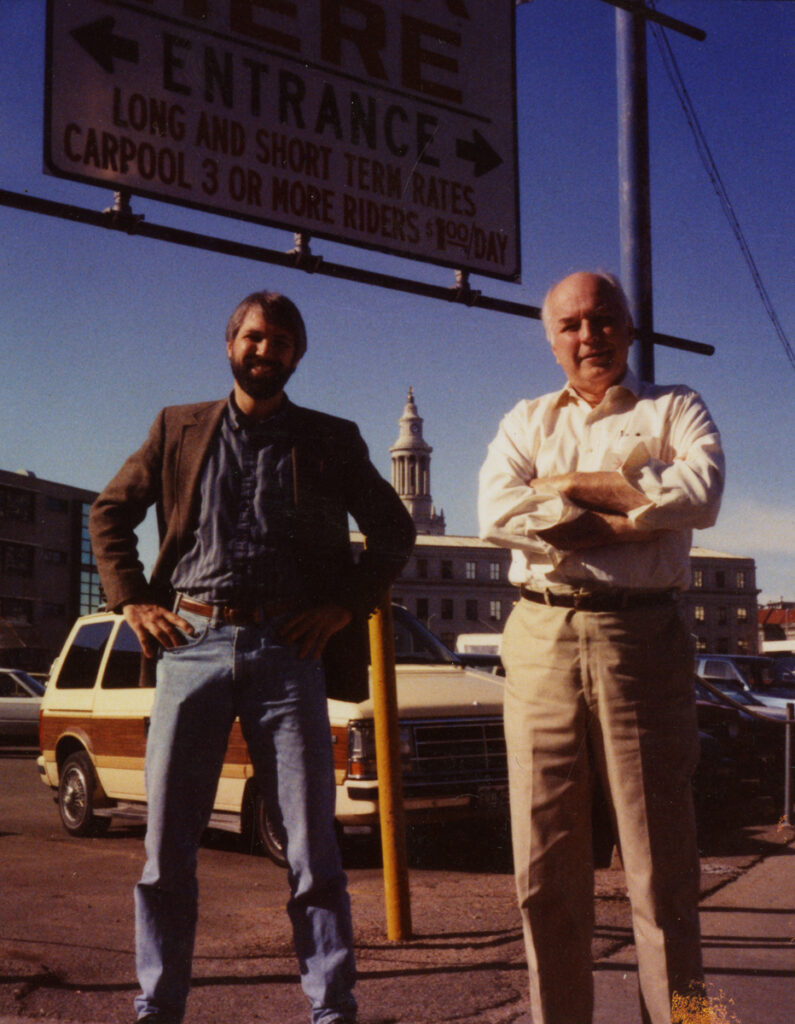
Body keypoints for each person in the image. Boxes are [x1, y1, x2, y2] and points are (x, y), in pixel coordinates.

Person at [90, 289, 416, 1024]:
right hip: (190, 646)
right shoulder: (177, 427)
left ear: (297, 354)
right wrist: (132, 600)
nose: (265, 351)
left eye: (280, 342)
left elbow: (393, 531)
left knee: (310, 846)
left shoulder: (331, 439)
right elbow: (110, 510)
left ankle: (331, 1008)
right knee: (167, 848)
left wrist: (342, 609)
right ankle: (158, 1005)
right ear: (230, 344)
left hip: (286, 652)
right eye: (253, 338)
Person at [478, 271, 724, 1024]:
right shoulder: (523, 419)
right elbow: (498, 512)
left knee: (662, 873)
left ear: (627, 327)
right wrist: (635, 504)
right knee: (545, 869)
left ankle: (683, 1021)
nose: (589, 337)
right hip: (540, 638)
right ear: (550, 338)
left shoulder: (674, 405)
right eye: (571, 324)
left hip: (641, 637)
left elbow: (702, 495)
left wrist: (566, 491)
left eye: (603, 319)